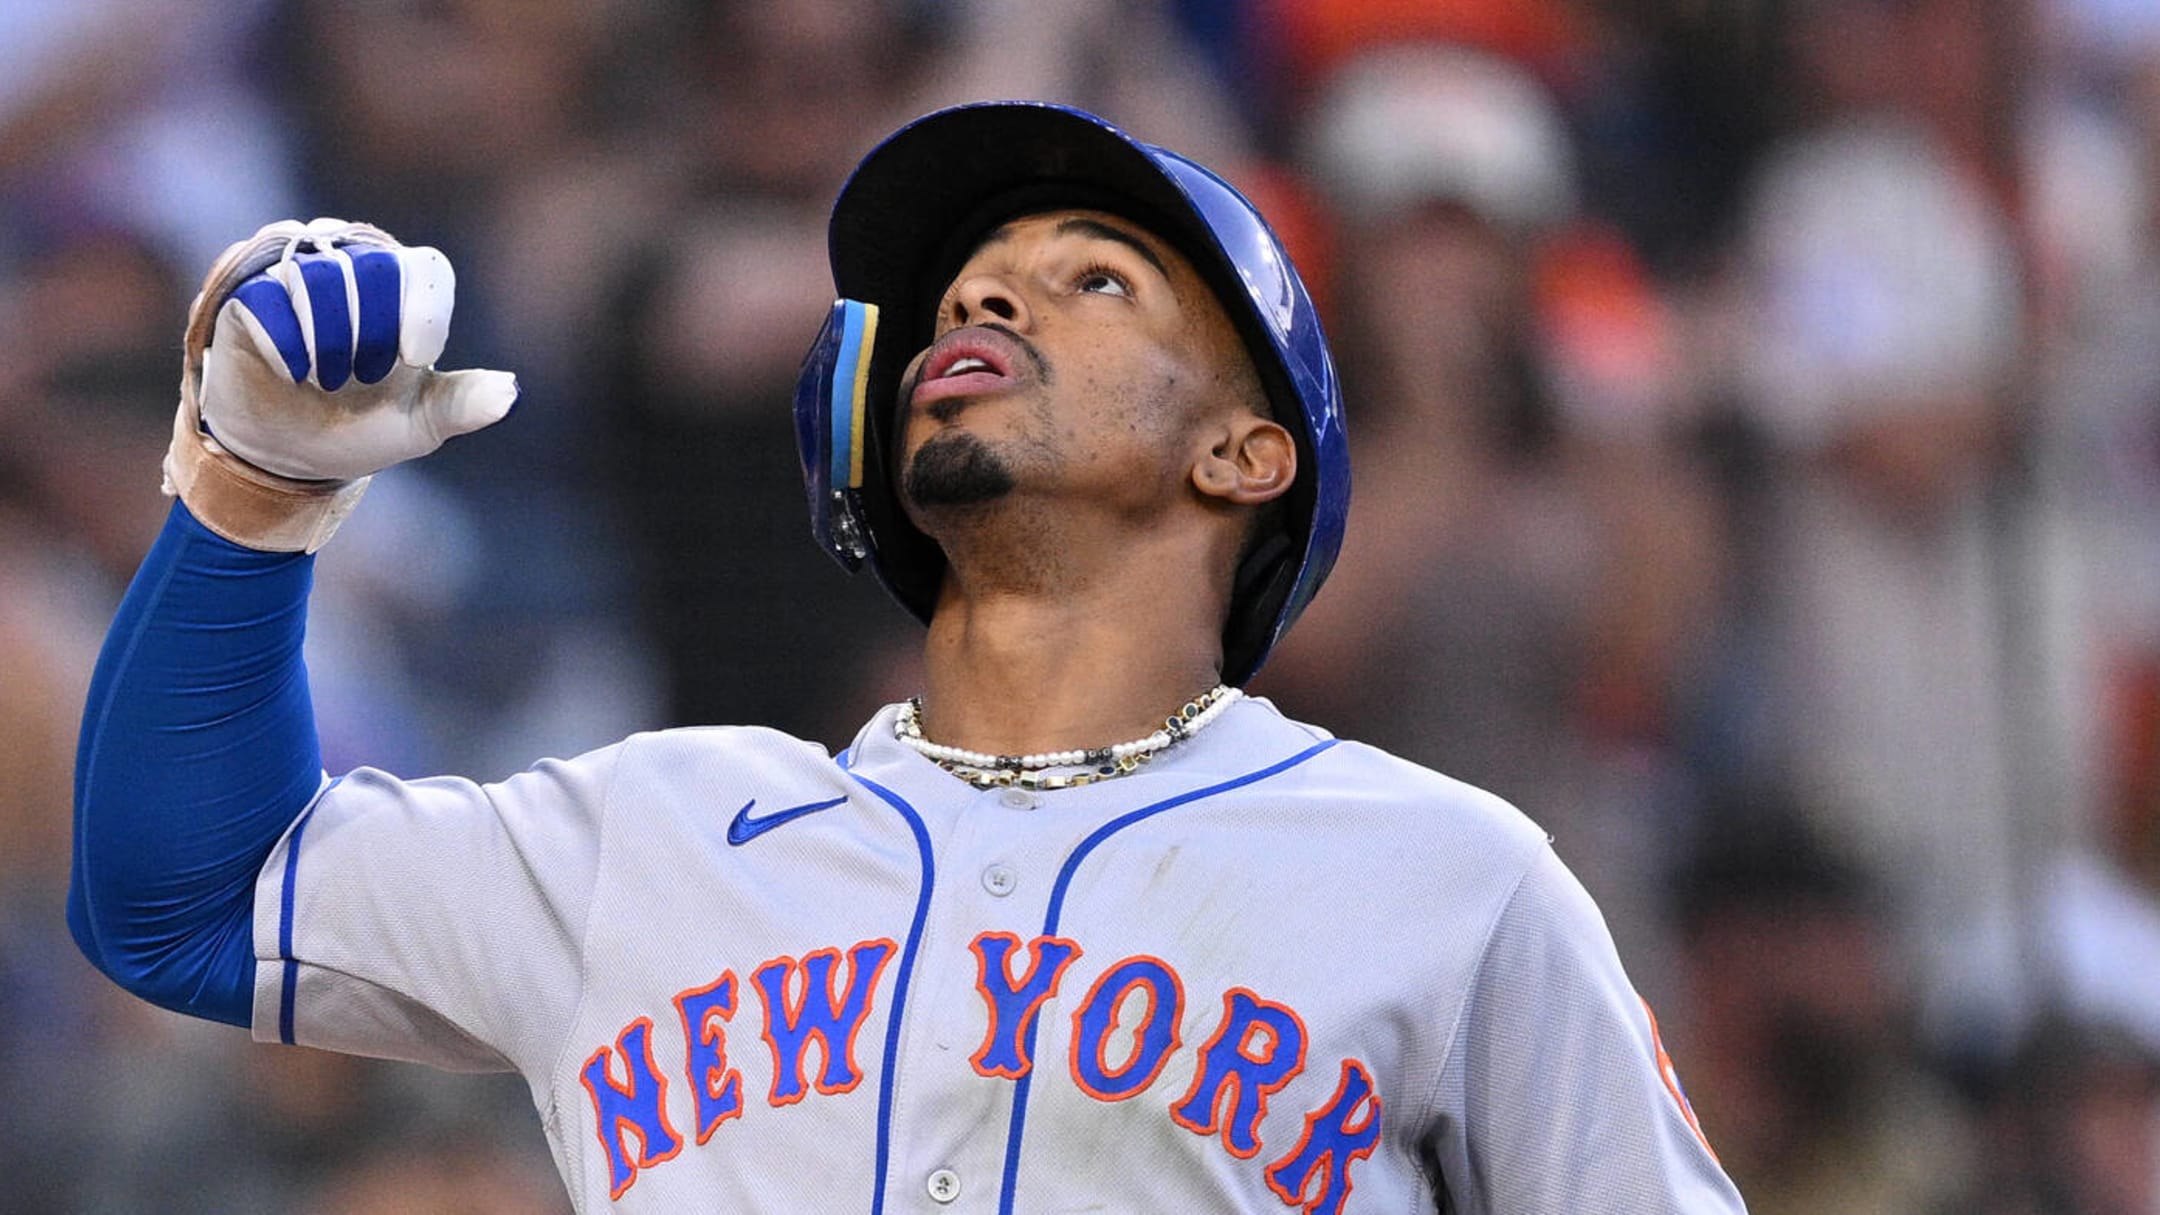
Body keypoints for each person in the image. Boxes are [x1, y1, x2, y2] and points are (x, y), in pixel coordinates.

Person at [70, 102, 1745, 1213]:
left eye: (1092, 282)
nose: (983, 310)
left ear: (1247, 454)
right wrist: (252, 494)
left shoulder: (1447, 880)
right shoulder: (657, 832)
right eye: (963, 296)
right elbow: (185, 900)